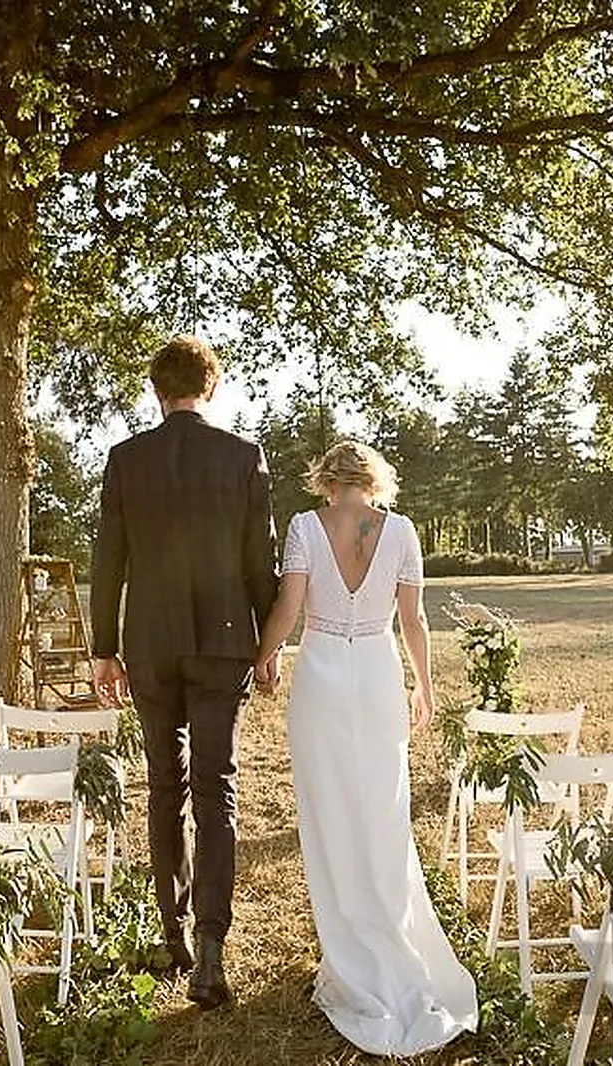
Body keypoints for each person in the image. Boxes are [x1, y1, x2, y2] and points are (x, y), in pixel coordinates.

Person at [255, 440, 478, 1056]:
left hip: (322, 678)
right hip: (379, 675)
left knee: (328, 814)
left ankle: (350, 957)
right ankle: (386, 938)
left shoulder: (306, 527)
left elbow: (290, 606)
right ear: (374, 480)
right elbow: (414, 620)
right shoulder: (400, 530)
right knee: (383, 812)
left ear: (327, 479)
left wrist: (264, 654)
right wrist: (425, 686)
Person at [90, 335, 279, 1009]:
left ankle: (172, 934)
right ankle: (210, 948)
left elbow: (108, 561)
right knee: (215, 788)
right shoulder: (242, 456)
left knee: (164, 786)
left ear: (156, 391)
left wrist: (103, 648)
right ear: (212, 386)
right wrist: (268, 643)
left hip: (149, 643)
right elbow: (260, 562)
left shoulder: (125, 459)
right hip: (224, 644)